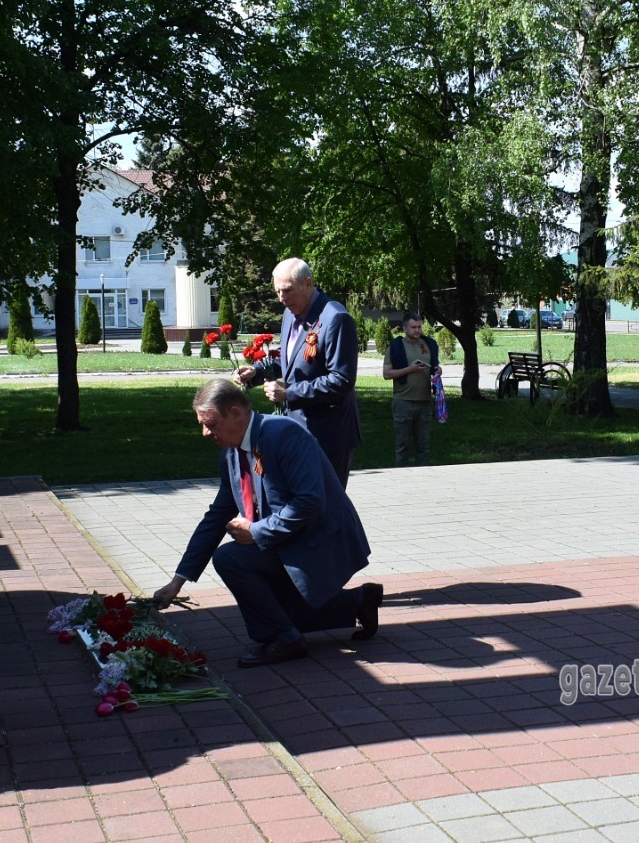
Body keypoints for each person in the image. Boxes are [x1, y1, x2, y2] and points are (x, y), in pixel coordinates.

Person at [152, 379, 382, 667]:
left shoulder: (283, 434)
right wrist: (178, 580)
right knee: (278, 610)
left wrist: (256, 531)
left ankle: (285, 639)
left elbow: (310, 502)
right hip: (288, 538)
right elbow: (216, 517)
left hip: (321, 540)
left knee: (231, 559)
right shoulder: (231, 454)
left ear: (235, 413)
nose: (205, 433)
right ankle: (358, 601)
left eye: (211, 424)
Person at [235, 258, 361, 486]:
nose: (282, 298)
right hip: (297, 429)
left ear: (308, 283)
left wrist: (289, 393)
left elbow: (342, 380)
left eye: (287, 290)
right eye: (277, 291)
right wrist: (256, 372)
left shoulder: (335, 318)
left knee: (327, 503)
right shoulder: (290, 313)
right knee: (302, 499)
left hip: (328, 434)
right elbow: (291, 362)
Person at [382, 312, 441, 466]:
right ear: (404, 328)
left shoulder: (428, 344)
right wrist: (410, 369)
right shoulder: (396, 347)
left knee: (423, 447)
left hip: (425, 402)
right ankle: (402, 477)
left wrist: (438, 371)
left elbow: (434, 367)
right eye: (413, 327)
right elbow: (387, 374)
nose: (417, 330)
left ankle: (422, 477)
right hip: (403, 402)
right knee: (402, 447)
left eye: (419, 327)